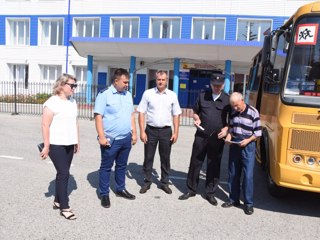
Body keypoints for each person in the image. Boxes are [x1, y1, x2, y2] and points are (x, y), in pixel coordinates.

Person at [178, 73, 230, 206]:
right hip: (201, 136)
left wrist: (227, 129)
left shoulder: (227, 100)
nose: (217, 88)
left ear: (223, 85)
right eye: (214, 85)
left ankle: (210, 193)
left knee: (213, 165)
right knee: (195, 162)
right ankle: (191, 189)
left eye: (219, 86)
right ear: (211, 84)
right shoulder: (202, 96)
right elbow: (195, 111)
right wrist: (197, 118)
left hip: (217, 138)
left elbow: (233, 119)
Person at [94, 68, 137, 208]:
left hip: (126, 138)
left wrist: (134, 133)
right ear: (116, 81)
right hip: (110, 139)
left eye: (128, 82)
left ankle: (120, 189)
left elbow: (131, 115)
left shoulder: (128, 95)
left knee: (122, 166)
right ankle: (104, 193)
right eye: (125, 82)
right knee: (106, 167)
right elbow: (98, 116)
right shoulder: (104, 95)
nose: (127, 85)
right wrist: (101, 136)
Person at [40, 74, 79, 220]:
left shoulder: (72, 102)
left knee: (63, 173)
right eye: (72, 85)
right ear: (62, 85)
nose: (74, 88)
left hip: (69, 143)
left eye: (75, 85)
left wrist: (77, 140)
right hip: (56, 144)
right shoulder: (52, 102)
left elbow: (75, 122)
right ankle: (64, 206)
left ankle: (57, 200)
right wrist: (46, 145)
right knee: (64, 173)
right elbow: (45, 124)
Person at [137, 70, 182, 194]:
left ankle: (164, 182)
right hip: (150, 130)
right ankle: (147, 181)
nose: (160, 81)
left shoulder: (172, 95)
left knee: (165, 158)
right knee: (148, 157)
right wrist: (142, 131)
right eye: (158, 79)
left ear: (167, 80)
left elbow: (176, 114)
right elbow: (141, 112)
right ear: (155, 80)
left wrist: (176, 132)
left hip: (166, 131)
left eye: (163, 79)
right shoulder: (148, 94)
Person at [221, 92, 261, 215]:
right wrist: (228, 136)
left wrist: (248, 140)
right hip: (235, 144)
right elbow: (231, 127)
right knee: (233, 173)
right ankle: (234, 199)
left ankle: (248, 204)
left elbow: (258, 133)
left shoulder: (254, 112)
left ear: (243, 100)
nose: (235, 108)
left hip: (248, 145)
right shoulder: (233, 112)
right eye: (233, 106)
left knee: (248, 176)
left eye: (237, 105)